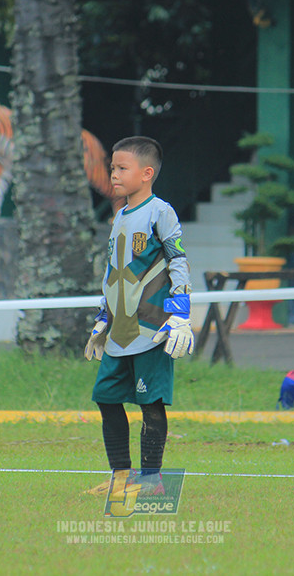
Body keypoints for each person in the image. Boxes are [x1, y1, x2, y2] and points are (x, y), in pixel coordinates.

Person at [83, 136, 194, 496]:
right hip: (119, 330)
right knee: (106, 397)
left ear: (146, 174)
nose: (113, 174)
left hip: (151, 328)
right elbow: (113, 270)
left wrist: (180, 315)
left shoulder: (161, 212)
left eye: (121, 168)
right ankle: (120, 476)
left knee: (151, 403)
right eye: (112, 168)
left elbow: (178, 261)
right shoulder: (119, 216)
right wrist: (104, 316)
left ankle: (152, 480)